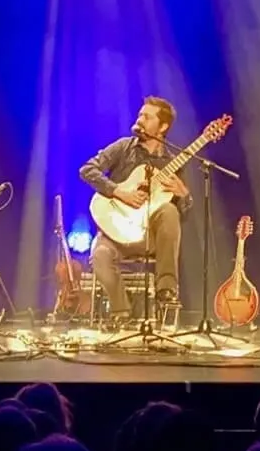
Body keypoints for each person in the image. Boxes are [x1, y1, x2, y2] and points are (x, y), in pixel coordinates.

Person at [79, 97, 192, 322]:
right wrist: (119, 192)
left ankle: (166, 289)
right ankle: (121, 312)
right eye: (140, 115)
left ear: (163, 127)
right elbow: (87, 170)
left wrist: (184, 196)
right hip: (115, 234)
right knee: (99, 255)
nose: (139, 119)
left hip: (147, 235)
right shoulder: (124, 147)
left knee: (169, 211)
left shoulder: (174, 162)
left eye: (146, 117)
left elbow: (181, 219)